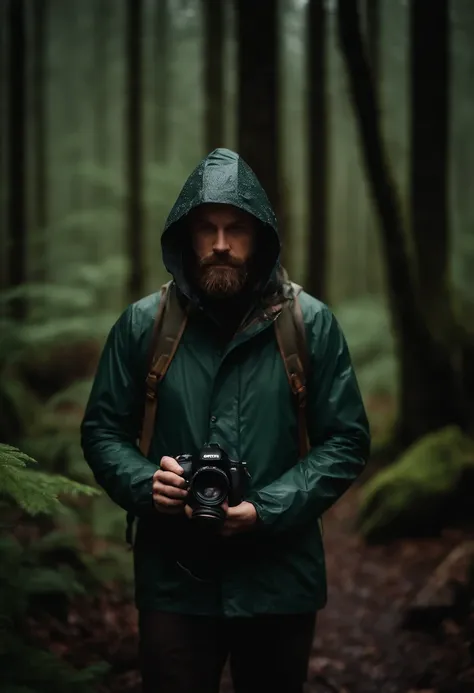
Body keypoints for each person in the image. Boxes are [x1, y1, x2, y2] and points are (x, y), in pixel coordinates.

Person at [80, 148, 370, 693]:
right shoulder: (144, 326)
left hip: (281, 580)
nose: (219, 244)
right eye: (206, 228)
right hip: (175, 583)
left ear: (260, 236)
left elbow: (348, 440)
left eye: (235, 228)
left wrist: (266, 508)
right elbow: (101, 431)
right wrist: (150, 485)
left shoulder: (311, 326)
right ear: (184, 237)